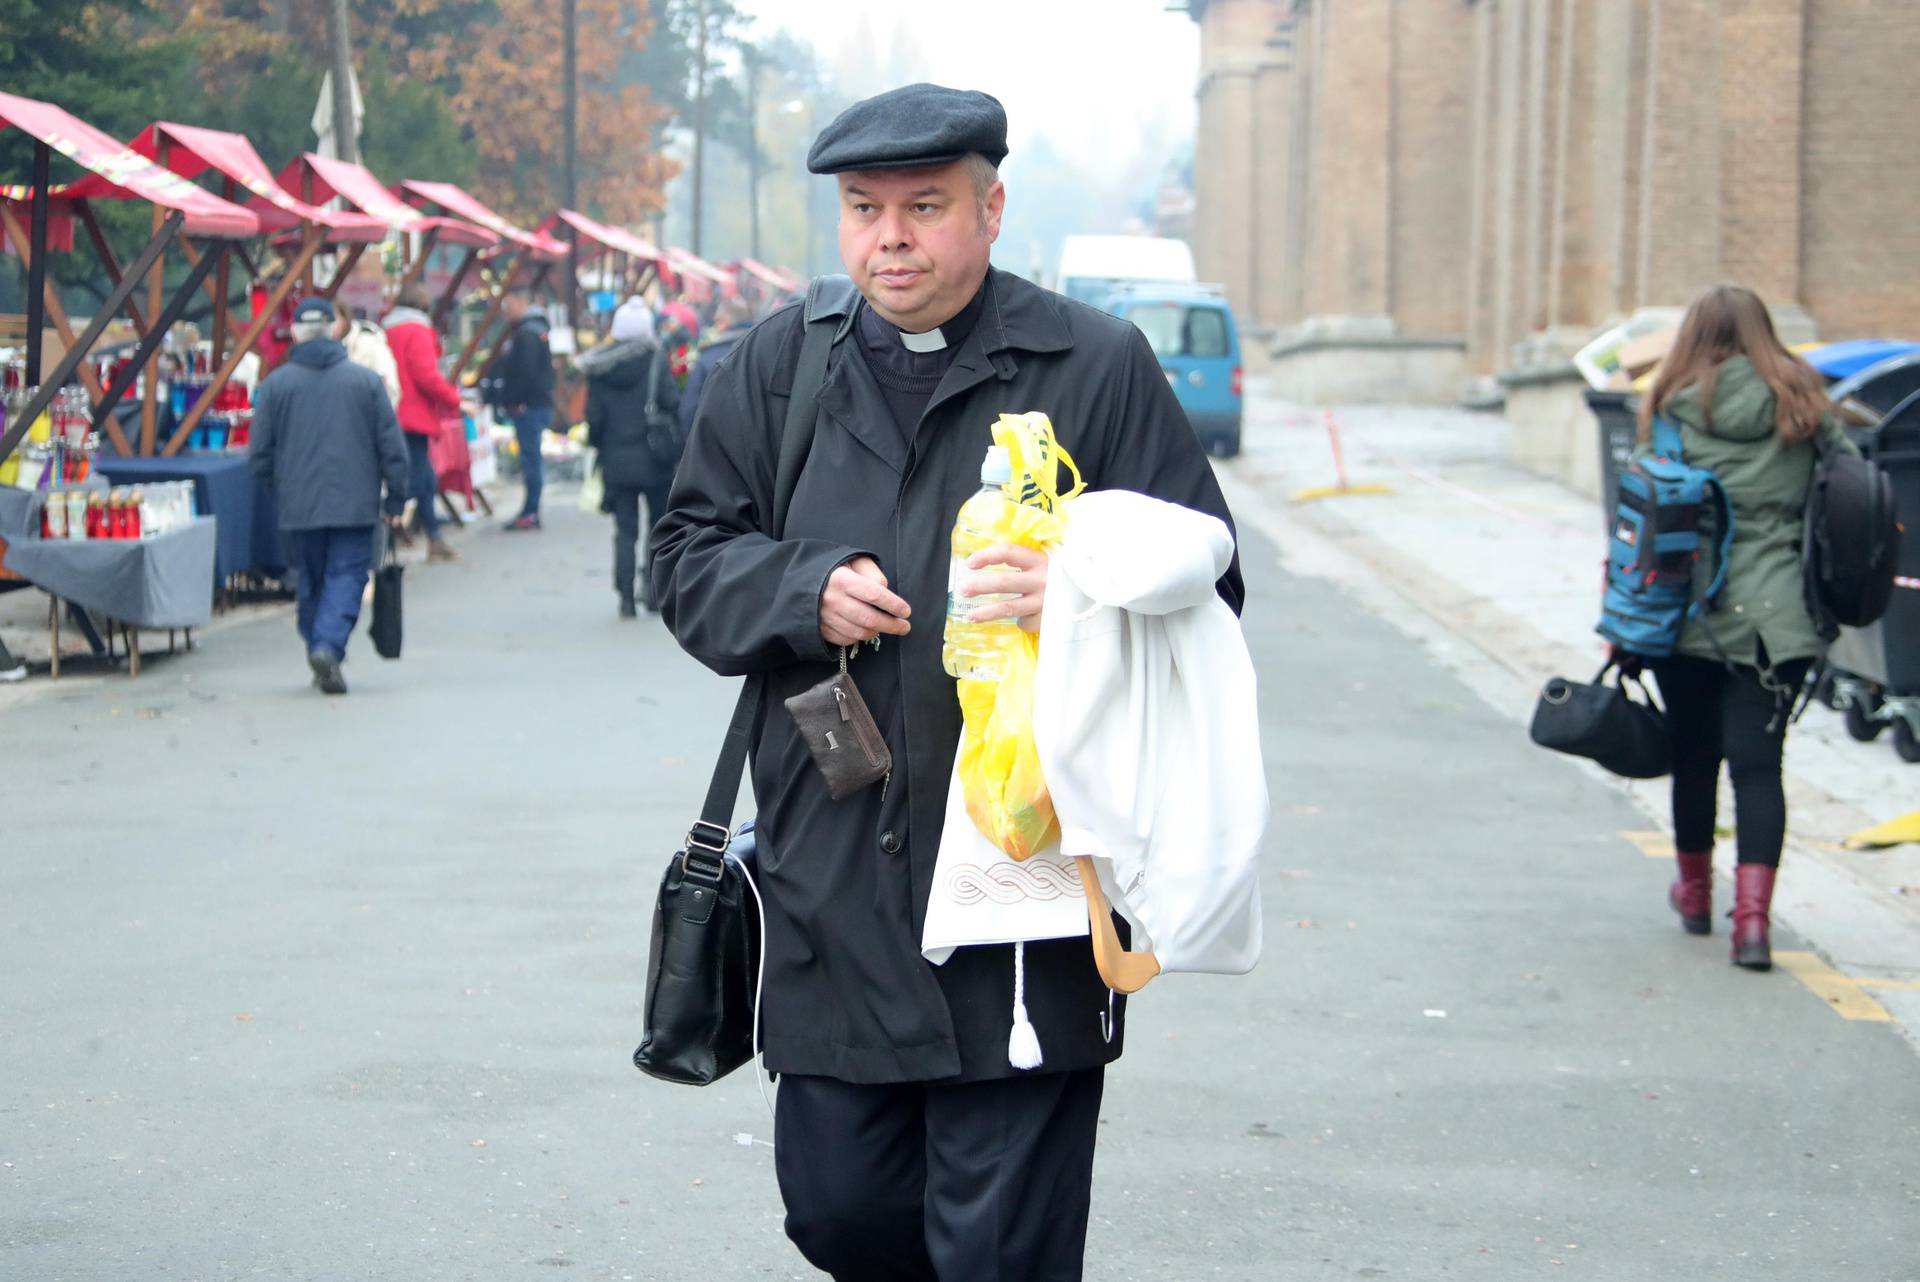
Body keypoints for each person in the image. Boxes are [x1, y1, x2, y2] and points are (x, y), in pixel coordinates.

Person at [651, 83, 1242, 1279]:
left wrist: (1080, 594)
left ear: (991, 209)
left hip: (1026, 888)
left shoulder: (1096, 365)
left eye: (926, 206)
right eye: (864, 209)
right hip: (832, 881)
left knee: (998, 1253)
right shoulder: (780, 367)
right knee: (842, 1215)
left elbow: (1209, 593)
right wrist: (798, 589)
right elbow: (685, 560)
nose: (891, 237)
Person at [1626, 283, 1860, 970]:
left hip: (1682, 612)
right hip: (1776, 618)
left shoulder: (1669, 406)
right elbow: (1854, 483)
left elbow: (1640, 518)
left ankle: (1694, 895)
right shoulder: (1803, 402)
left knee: (1694, 760)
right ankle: (1752, 924)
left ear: (1693, 334)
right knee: (1760, 772)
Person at [249, 295, 409, 696]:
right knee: (348, 575)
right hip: (355, 503)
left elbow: (259, 455)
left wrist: (280, 490)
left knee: (311, 578)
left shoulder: (274, 387)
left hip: (297, 505)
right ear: (335, 329)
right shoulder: (366, 383)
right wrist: (395, 499)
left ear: (298, 333)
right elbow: (392, 447)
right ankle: (326, 645)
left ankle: (318, 642)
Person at [583, 298, 679, 617]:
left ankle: (625, 596)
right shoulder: (655, 360)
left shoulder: (600, 369)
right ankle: (652, 593)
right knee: (657, 527)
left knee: (624, 529)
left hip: (616, 458)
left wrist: (601, 446)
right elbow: (671, 400)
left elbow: (593, 418)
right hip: (654, 458)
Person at [384, 284, 464, 563]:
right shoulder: (416, 330)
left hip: (393, 412)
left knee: (419, 476)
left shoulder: (388, 329)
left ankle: (429, 535)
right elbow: (426, 375)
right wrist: (454, 400)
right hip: (412, 414)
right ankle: (415, 532)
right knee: (420, 478)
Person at [496, 285, 555, 531]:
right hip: (536, 403)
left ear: (521, 303)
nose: (505, 313)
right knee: (532, 459)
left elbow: (526, 373)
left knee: (531, 460)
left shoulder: (527, 334)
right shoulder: (537, 329)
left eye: (508, 307)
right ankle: (530, 510)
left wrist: (517, 401)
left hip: (529, 406)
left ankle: (530, 511)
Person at [677, 295, 755, 440]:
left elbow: (689, 410)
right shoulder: (763, 350)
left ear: (723, 323)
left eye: (716, 322)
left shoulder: (709, 357)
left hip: (714, 446)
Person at [333, 300, 401, 409]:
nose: (328, 326)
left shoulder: (370, 343)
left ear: (344, 319)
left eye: (333, 319)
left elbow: (389, 388)